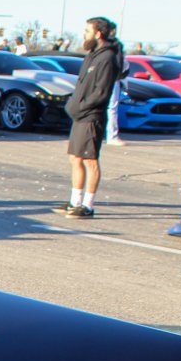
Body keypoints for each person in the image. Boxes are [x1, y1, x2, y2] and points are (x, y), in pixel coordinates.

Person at [59, 17, 121, 219]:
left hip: (92, 116)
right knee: (75, 158)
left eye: (87, 30)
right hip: (80, 116)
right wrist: (73, 106)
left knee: (90, 160)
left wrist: (82, 108)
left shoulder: (107, 58)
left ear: (98, 34)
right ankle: (74, 201)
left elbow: (101, 93)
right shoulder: (92, 55)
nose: (84, 34)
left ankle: (88, 205)